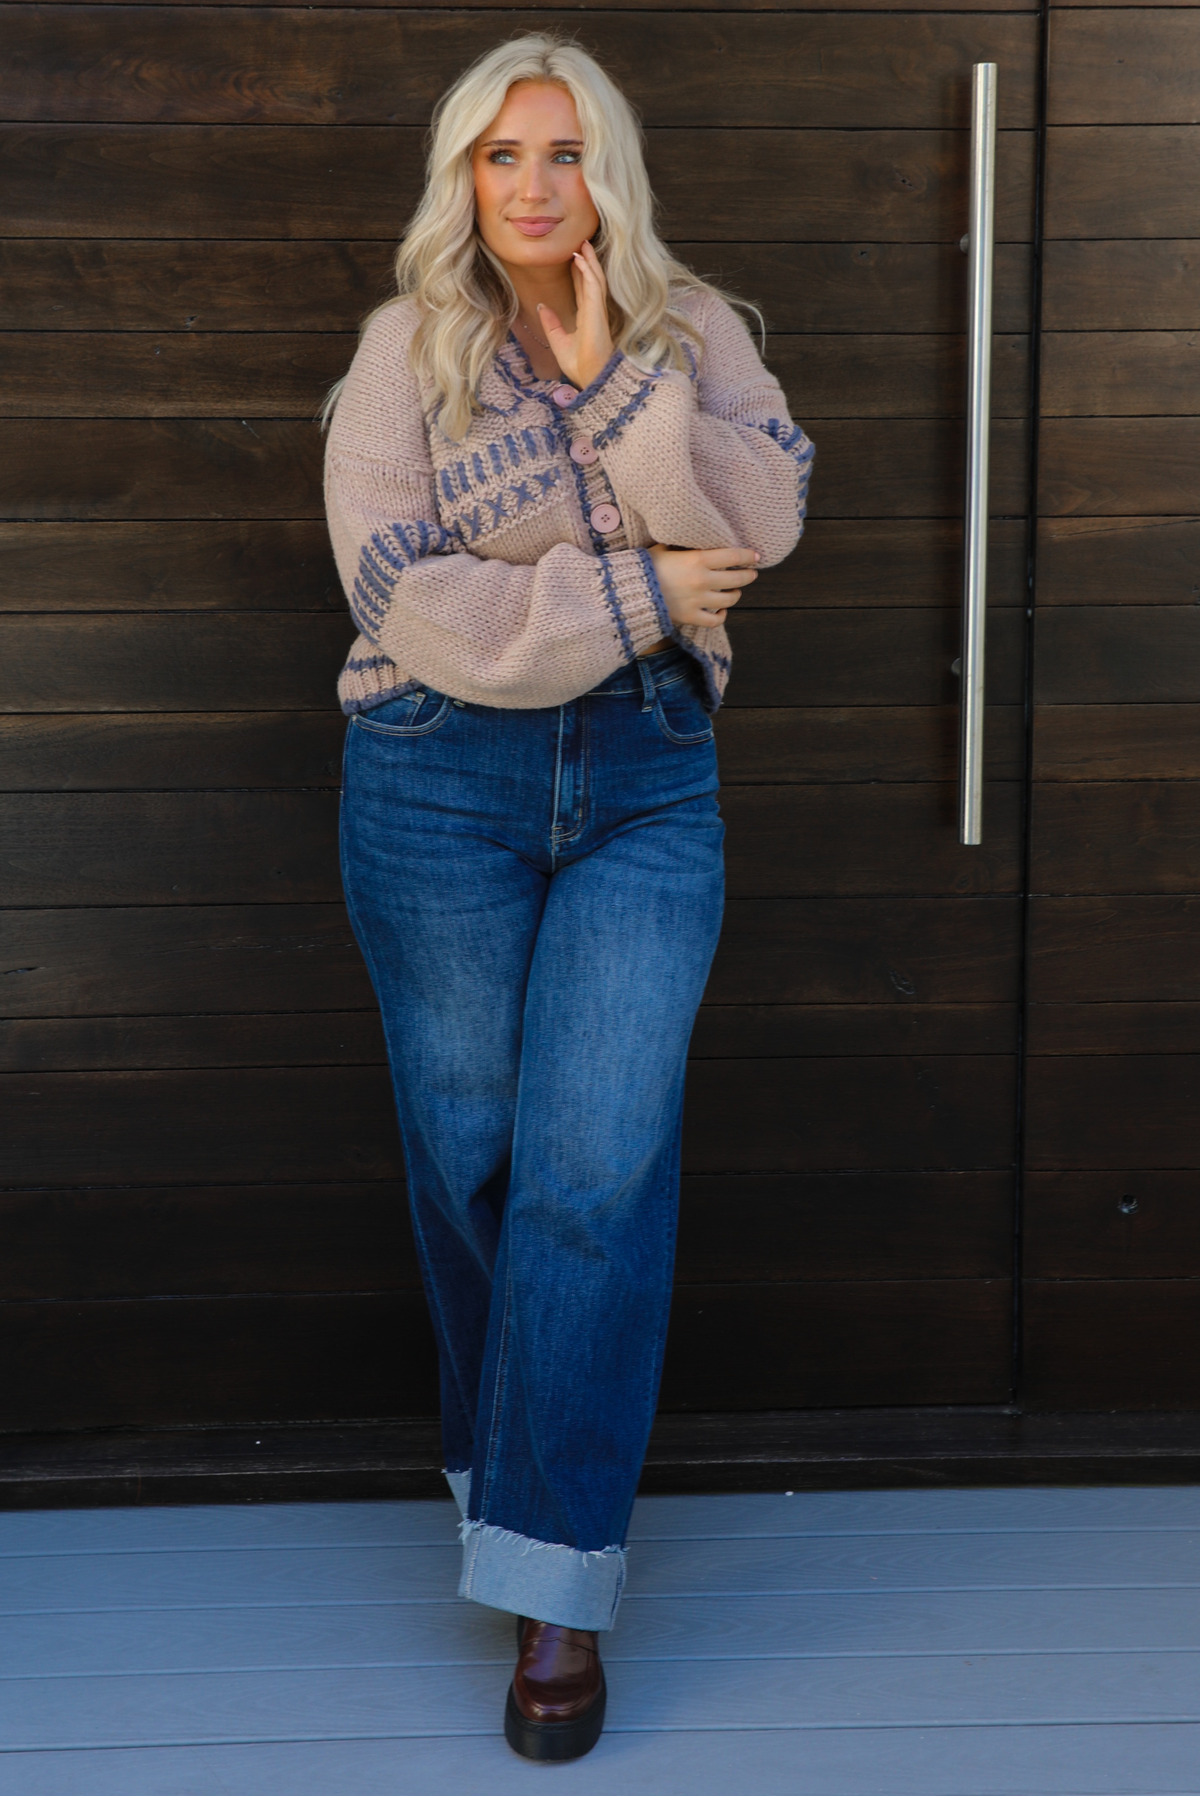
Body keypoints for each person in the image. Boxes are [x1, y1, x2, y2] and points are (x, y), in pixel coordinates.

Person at [325, 31, 812, 1762]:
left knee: (594, 1169)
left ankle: (553, 1592)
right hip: (434, 782)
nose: (533, 190)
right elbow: (412, 605)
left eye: (564, 155)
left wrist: (618, 384)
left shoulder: (703, 340)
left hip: (649, 787)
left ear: (611, 170)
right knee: (476, 1151)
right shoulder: (406, 355)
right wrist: (637, 589)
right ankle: (515, 1462)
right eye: (500, 158)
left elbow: (755, 528)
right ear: (464, 178)